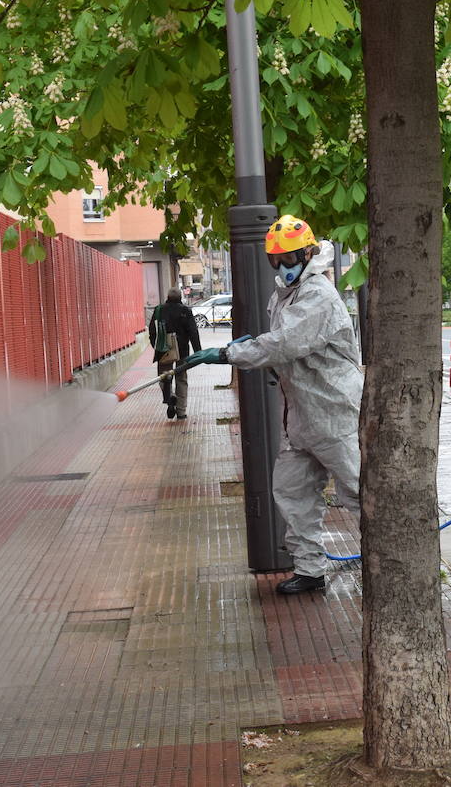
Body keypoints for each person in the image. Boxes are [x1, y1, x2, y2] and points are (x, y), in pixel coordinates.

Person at [185, 215, 361, 595]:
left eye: (289, 258)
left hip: (334, 413)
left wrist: (230, 353)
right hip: (300, 415)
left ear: (309, 252)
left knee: (359, 492)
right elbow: (281, 341)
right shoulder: (284, 295)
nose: (282, 267)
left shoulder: (317, 295)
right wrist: (258, 345)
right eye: (275, 261)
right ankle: (311, 571)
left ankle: (386, 565)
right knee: (292, 493)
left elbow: (287, 343)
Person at [148, 287, 202, 419]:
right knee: (181, 378)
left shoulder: (159, 310)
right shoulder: (185, 311)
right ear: (180, 298)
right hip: (182, 350)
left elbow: (152, 331)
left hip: (163, 350)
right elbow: (193, 332)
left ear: (167, 297)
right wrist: (198, 352)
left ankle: (170, 396)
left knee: (163, 377)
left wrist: (156, 345)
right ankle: (181, 411)